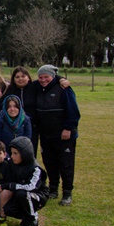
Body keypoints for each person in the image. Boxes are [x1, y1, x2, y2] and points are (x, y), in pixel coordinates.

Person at [35, 65, 80, 206]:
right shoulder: (37, 88)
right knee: (50, 163)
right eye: (40, 77)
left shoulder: (64, 89)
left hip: (64, 135)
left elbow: (73, 111)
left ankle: (67, 193)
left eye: (46, 77)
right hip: (46, 135)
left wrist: (68, 128)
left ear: (53, 76)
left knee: (66, 164)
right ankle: (53, 189)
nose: (43, 80)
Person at [0, 136, 49, 226]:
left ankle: (33, 221)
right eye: (12, 153)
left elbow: (31, 187)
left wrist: (11, 186)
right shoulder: (12, 163)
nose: (12, 156)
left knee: (22, 193)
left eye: (15, 153)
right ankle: (26, 218)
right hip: (21, 194)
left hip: (38, 195)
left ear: (25, 153)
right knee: (8, 210)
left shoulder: (36, 169)